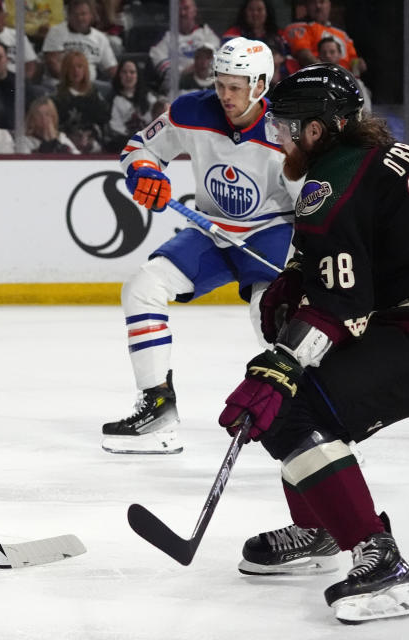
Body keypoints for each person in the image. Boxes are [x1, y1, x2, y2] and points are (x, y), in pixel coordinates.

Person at [217, 63, 409, 625]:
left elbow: (342, 308)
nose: (279, 137)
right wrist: (302, 274)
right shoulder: (387, 157)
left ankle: (378, 559)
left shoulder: (328, 180)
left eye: (287, 126)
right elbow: (365, 254)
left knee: (291, 407)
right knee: (297, 400)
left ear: (318, 130)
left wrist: (281, 364)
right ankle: (322, 526)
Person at [102, 37, 297, 455]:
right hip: (212, 229)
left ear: (261, 85)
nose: (225, 95)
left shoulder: (287, 127)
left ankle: (313, 415)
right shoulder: (192, 110)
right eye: (221, 84)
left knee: (271, 318)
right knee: (143, 287)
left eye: (236, 86)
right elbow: (140, 148)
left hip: (271, 232)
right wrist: (144, 174)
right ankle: (157, 408)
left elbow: (313, 197)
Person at [41, 0, 117, 87]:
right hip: (61, 84)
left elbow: (112, 68)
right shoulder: (56, 32)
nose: (80, 18)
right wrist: (73, 81)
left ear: (91, 15)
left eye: (83, 14)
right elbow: (52, 63)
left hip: (90, 86)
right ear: (68, 16)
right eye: (75, 15)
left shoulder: (100, 38)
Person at [148, 0, 219, 93]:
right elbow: (168, 76)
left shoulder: (206, 33)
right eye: (178, 9)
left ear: (194, 11)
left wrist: (192, 69)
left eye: (186, 8)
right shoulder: (165, 38)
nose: (182, 13)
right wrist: (189, 70)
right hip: (178, 91)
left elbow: (214, 62)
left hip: (207, 89)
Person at [285, 0, 363, 75]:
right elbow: (304, 56)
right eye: (313, 2)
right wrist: (328, 72)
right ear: (306, 5)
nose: (318, 6)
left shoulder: (342, 34)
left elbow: (353, 60)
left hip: (348, 79)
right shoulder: (299, 28)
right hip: (320, 78)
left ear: (329, 4)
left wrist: (358, 64)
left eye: (322, 2)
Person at [52, 50, 107, 153]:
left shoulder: (94, 94)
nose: (75, 71)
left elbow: (102, 121)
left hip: (93, 142)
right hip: (66, 143)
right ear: (65, 70)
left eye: (79, 67)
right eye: (71, 67)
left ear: (85, 69)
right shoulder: (57, 96)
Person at [107, 58, 156, 150]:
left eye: (132, 72)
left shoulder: (149, 97)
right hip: (124, 143)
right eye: (124, 72)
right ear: (119, 75)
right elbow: (115, 127)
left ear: (137, 75)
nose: (128, 76)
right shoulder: (113, 99)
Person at [317, 36, 370, 114]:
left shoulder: (354, 82)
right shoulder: (313, 79)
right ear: (319, 55)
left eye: (332, 52)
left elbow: (366, 112)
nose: (327, 55)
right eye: (324, 52)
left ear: (340, 54)